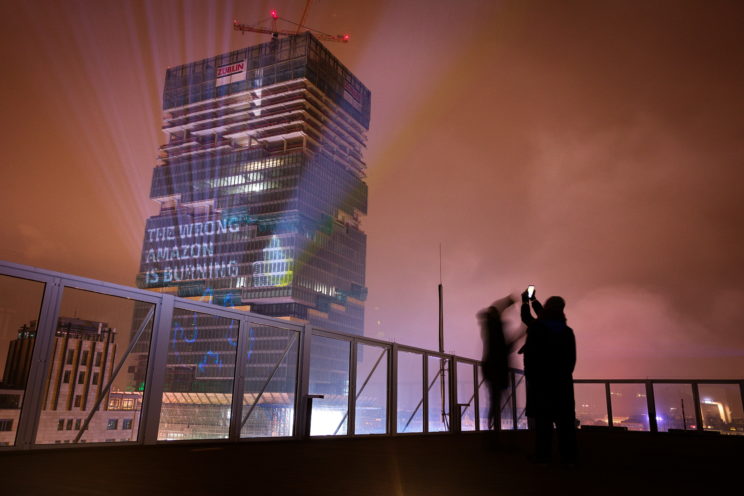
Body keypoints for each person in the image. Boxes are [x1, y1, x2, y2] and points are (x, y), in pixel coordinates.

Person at [519, 289, 577, 464]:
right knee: (565, 423)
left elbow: (528, 318)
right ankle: (568, 457)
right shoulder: (567, 331)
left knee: (543, 423)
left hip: (541, 384)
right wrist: (534, 300)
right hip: (562, 383)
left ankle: (543, 455)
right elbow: (571, 361)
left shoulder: (538, 328)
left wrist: (525, 301)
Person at [478, 296, 516, 431]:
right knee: (498, 401)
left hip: (491, 368)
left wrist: (507, 303)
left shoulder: (490, 327)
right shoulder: (495, 328)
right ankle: (496, 430)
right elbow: (504, 349)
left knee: (494, 401)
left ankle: (492, 430)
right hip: (498, 369)